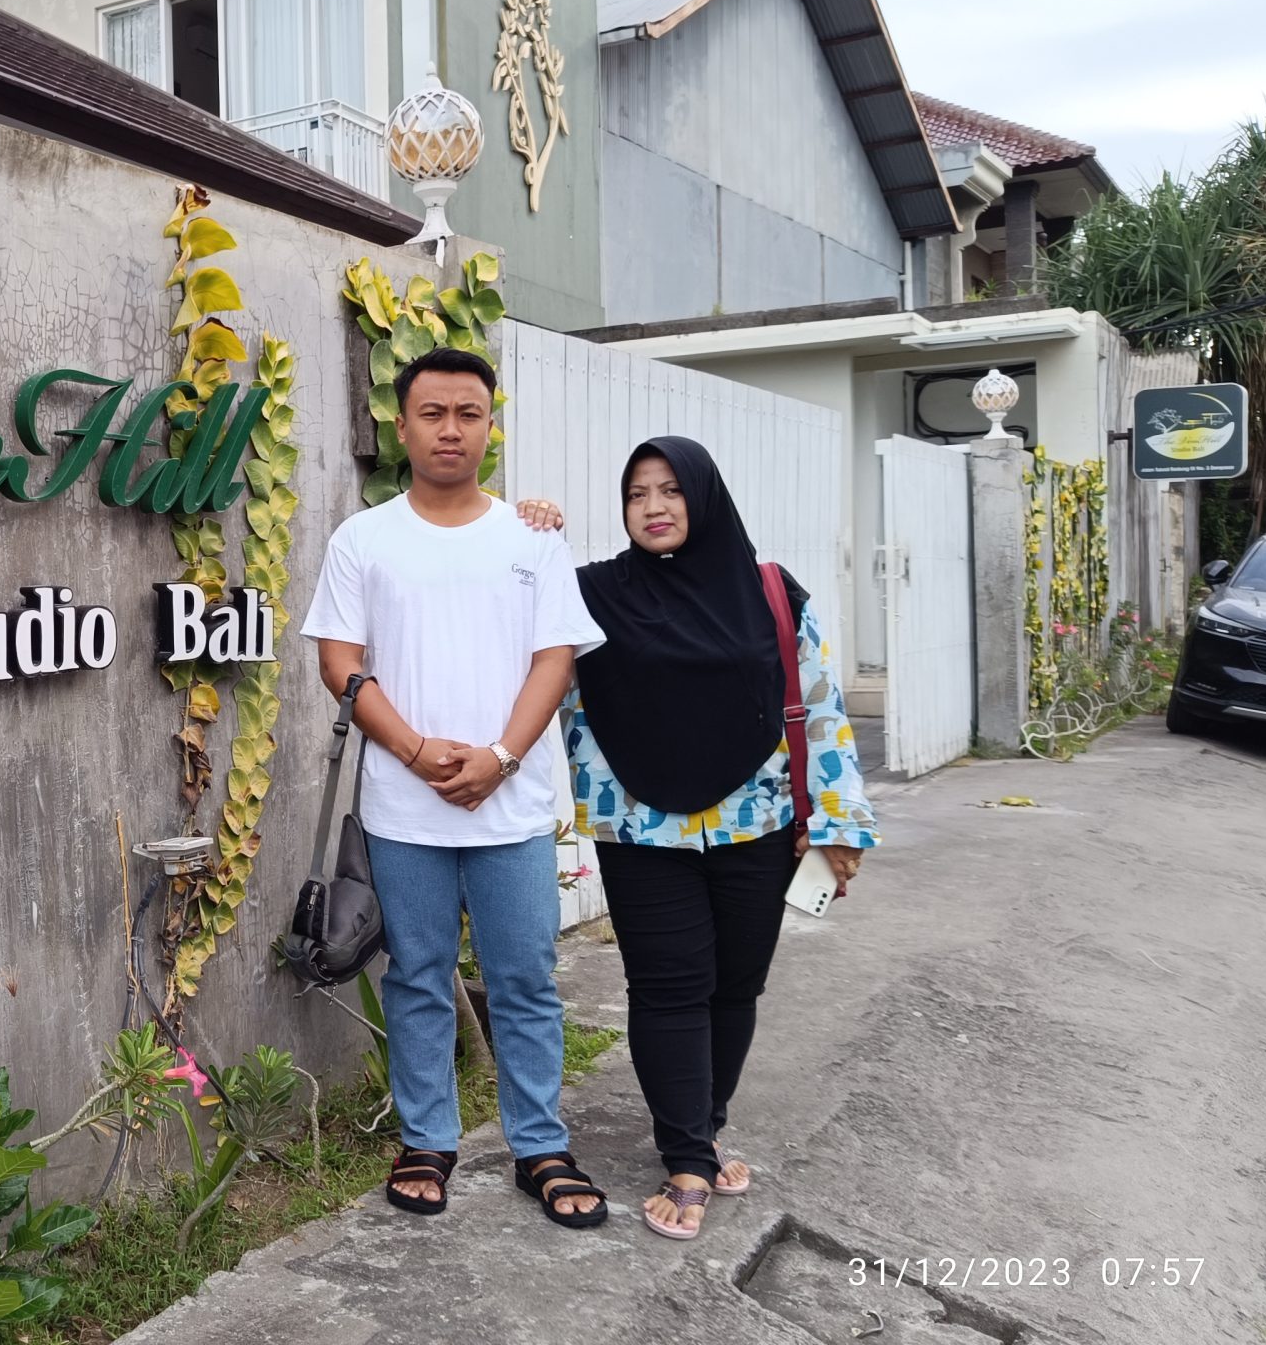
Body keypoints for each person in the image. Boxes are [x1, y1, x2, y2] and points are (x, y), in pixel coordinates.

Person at [300, 347, 612, 1228]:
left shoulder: (533, 537)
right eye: (432, 413)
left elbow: (556, 659)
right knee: (418, 977)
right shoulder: (363, 539)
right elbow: (339, 661)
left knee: (525, 979)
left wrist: (501, 757)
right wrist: (414, 750)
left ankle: (540, 1146)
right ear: (401, 427)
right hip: (405, 811)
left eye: (467, 413)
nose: (450, 429)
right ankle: (427, 1140)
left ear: (489, 426)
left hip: (512, 809)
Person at [560, 436, 880, 1240]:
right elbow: (516, 624)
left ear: (703, 497)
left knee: (737, 986)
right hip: (641, 827)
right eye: (637, 494)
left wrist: (838, 823)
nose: (654, 507)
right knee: (668, 987)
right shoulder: (590, 595)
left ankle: (704, 1126)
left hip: (758, 822)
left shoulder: (770, 592)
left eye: (671, 490)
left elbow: (821, 705)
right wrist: (526, 528)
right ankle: (686, 1160)